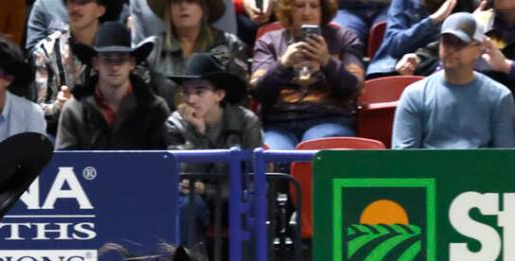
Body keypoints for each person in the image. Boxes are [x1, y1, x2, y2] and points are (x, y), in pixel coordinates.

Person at [164, 52, 262, 243]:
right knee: (187, 204)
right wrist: (198, 134)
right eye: (186, 92)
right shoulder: (175, 123)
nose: (191, 99)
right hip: (195, 200)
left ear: (219, 94)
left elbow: (255, 178)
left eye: (199, 92)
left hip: (233, 197)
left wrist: (207, 189)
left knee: (253, 202)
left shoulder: (246, 122)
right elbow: (184, 179)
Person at [249, 0, 366, 148]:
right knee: (273, 157)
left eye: (314, 6)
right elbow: (258, 92)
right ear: (288, 9)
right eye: (299, 6)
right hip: (277, 123)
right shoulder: (268, 41)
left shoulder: (345, 38)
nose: (307, 12)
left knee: (320, 152)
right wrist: (283, 65)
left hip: (329, 120)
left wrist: (327, 62)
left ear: (323, 10)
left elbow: (354, 88)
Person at [392, 12, 515, 147]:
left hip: (480, 168)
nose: (451, 49)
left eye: (460, 44)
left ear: (480, 48)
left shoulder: (499, 97)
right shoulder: (414, 95)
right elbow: (404, 159)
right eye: (447, 42)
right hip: (427, 168)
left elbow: (505, 158)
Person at [55, 21, 168, 149]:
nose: (114, 67)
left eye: (121, 59)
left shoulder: (154, 109)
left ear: (132, 63)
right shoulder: (74, 110)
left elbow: (163, 163)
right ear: (95, 63)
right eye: (107, 59)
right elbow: (64, 163)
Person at [33, 0, 120, 133]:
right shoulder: (47, 50)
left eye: (82, 2)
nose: (74, 8)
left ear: (100, 10)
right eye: (70, 2)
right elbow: (41, 109)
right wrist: (59, 106)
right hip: (64, 132)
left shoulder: (118, 46)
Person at [143, 0, 248, 108]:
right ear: (169, 10)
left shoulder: (227, 46)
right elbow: (145, 105)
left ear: (204, 8)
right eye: (176, 1)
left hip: (220, 123)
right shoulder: (151, 49)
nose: (183, 6)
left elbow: (239, 99)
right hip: (164, 122)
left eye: (191, 0)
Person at [366, 0, 465, 77]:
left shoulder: (466, 4)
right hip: (394, 68)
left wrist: (419, 57)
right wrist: (433, 20)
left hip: (435, 69)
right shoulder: (405, 2)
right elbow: (393, 46)